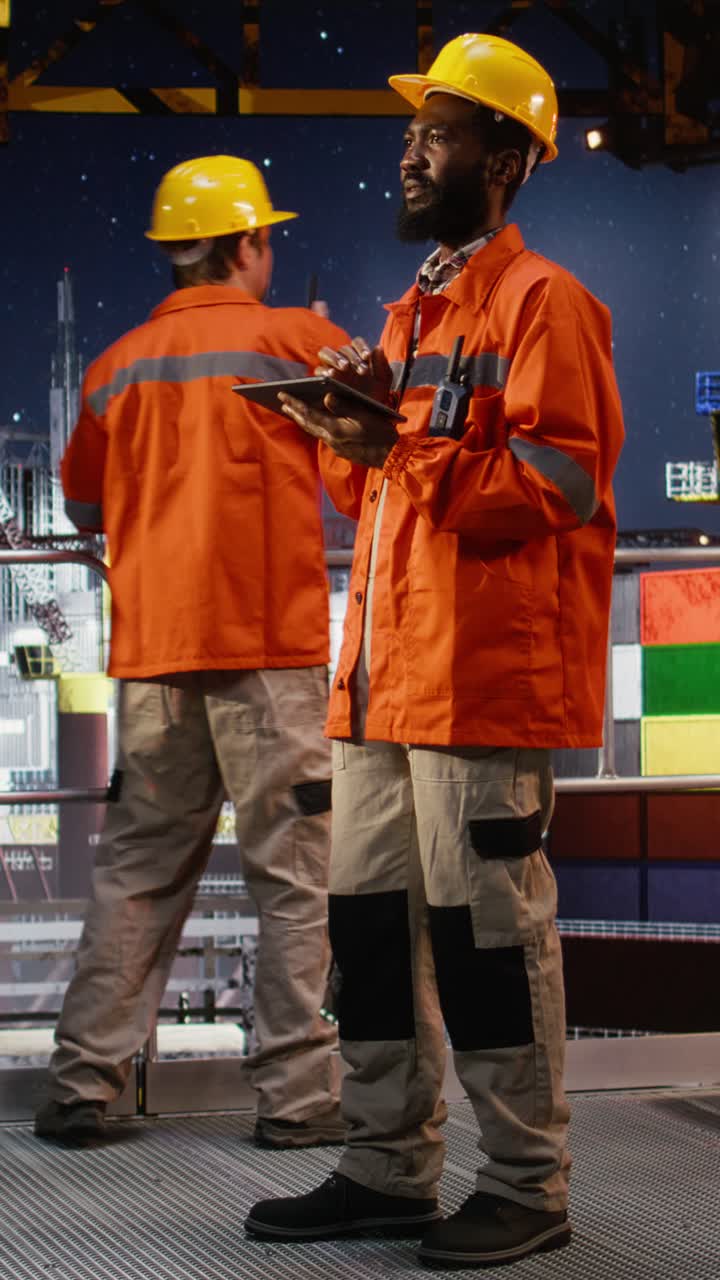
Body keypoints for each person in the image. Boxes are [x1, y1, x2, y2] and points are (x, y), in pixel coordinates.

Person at [245, 33, 624, 1269]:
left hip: (481, 683)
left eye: (442, 131)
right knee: (367, 932)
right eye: (411, 131)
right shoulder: (414, 313)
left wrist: (396, 439)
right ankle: (386, 1163)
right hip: (384, 683)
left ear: (506, 157)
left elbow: (555, 483)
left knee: (488, 940)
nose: (411, 150)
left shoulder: (542, 305)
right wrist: (356, 434)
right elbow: (396, 500)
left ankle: (527, 1180)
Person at [34, 155, 350, 1151]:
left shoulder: (116, 363)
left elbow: (83, 501)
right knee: (292, 877)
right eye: (267, 239)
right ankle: (298, 1100)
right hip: (269, 653)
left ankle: (87, 1083)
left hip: (154, 656)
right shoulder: (296, 342)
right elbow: (370, 465)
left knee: (136, 871)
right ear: (248, 244)